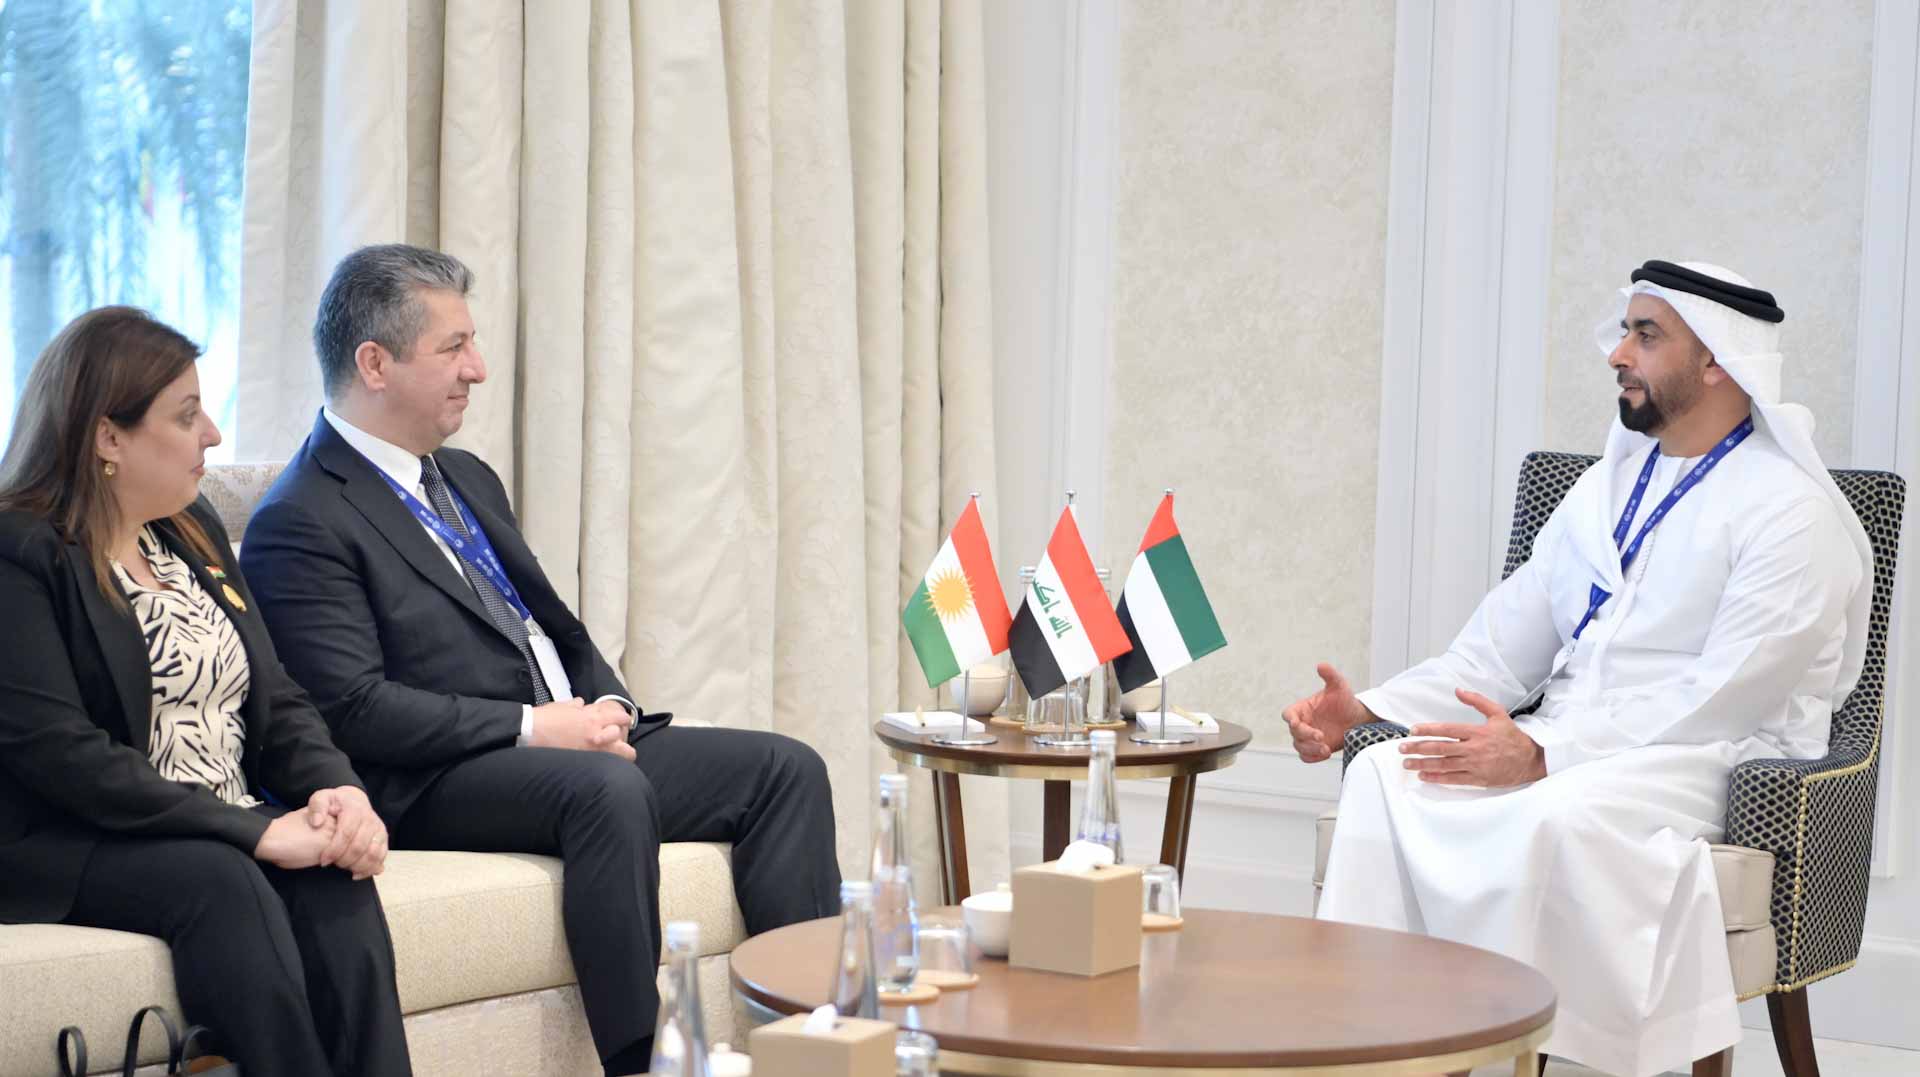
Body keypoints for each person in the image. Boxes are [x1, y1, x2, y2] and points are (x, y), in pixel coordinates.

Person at [240, 243, 841, 1076]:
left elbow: (548, 628)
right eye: (454, 347)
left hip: (560, 741)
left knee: (786, 769)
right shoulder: (300, 517)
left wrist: (609, 708)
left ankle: (811, 1043)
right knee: (605, 790)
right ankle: (644, 1061)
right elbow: (353, 709)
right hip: (431, 776)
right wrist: (533, 727)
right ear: (374, 363)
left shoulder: (465, 477)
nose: (477, 368)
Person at [1289, 261, 1873, 1077]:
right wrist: (1372, 710)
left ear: (1717, 359)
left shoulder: (1792, 513)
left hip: (1712, 757)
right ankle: (1382, 1045)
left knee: (1553, 813)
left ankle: (1506, 1043)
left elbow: (1724, 695)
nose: (1617, 354)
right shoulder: (1604, 489)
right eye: (1625, 331)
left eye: (1646, 335)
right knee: (1386, 772)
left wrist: (1542, 754)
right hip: (1573, 739)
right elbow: (1500, 647)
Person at [0, 308, 412, 1077]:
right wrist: (252, 831)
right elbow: (64, 756)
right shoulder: (20, 555)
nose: (213, 435)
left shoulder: (189, 528)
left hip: (217, 822)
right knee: (221, 880)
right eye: (187, 415)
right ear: (108, 437)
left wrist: (339, 792)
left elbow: (275, 693)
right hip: (76, 839)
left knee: (334, 875)